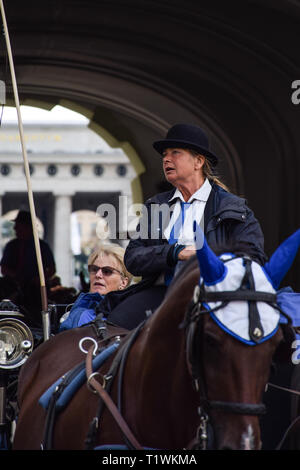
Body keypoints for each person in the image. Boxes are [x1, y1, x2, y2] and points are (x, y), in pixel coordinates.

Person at [123, 123, 267, 316]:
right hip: (160, 298)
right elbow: (132, 258)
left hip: (215, 299)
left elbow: (253, 258)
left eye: (175, 152)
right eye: (164, 154)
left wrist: (210, 260)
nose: (166, 159)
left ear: (198, 162)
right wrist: (175, 252)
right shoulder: (156, 206)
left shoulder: (232, 207)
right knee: (116, 325)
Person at [59, 242, 132, 330]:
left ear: (123, 282)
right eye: (94, 269)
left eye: (107, 271)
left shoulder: (133, 314)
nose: (98, 275)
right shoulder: (77, 313)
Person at [1, 210, 56, 287]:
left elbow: (52, 269)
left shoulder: (42, 247)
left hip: (36, 287)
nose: (15, 228)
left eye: (18, 225)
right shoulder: (11, 246)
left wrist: (39, 279)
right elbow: (4, 269)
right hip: (13, 286)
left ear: (28, 227)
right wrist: (16, 277)